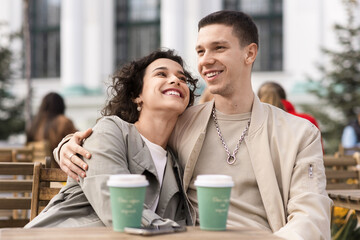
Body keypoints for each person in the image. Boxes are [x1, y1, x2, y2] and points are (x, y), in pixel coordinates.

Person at [54, 11, 332, 239]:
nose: (205, 60)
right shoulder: (181, 124)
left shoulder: (298, 133)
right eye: (200, 51)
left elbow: (311, 215)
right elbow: (130, 135)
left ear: (250, 54)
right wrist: (67, 145)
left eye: (219, 48)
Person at [25, 49, 197, 228]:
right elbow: (120, 209)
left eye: (182, 79)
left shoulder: (177, 163)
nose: (175, 80)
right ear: (137, 95)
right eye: (161, 74)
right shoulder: (111, 131)